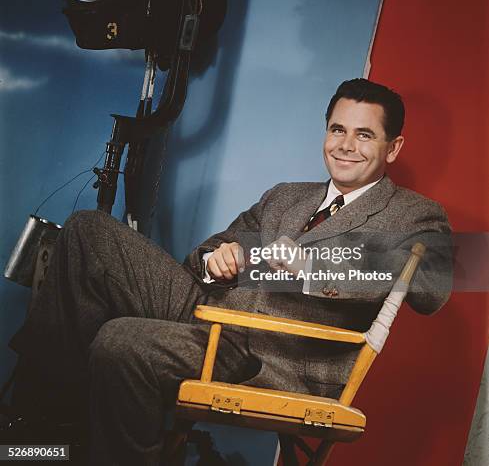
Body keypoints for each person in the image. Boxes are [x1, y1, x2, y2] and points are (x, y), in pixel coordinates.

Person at [8, 78, 452, 465]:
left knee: (121, 339)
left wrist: (315, 266)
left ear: (393, 147)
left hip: (270, 355)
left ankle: (62, 440)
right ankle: (39, 424)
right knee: (89, 231)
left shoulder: (413, 214)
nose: (346, 146)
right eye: (337, 129)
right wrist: (215, 261)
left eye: (364, 135)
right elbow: (207, 251)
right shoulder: (287, 196)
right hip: (208, 315)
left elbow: (433, 286)